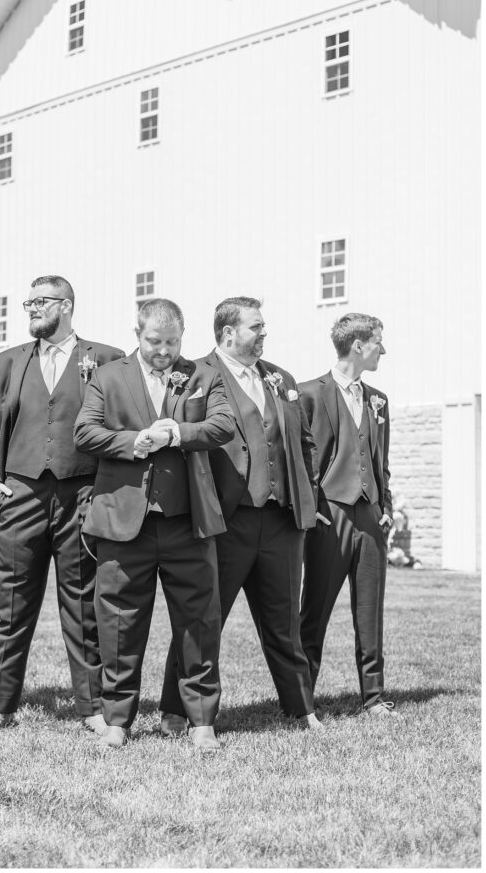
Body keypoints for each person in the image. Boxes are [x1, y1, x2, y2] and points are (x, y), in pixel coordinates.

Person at [74, 298, 235, 750]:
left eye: (172, 342)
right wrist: (133, 441)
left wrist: (178, 433)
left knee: (199, 622)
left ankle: (202, 719)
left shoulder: (204, 374)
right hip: (124, 523)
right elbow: (84, 433)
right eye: (154, 341)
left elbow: (223, 425)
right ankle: (118, 720)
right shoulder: (107, 376)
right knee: (119, 623)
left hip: (188, 521)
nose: (164, 351)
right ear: (137, 333)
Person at [159, 297, 322, 732]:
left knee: (284, 620)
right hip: (223, 519)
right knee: (203, 618)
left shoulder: (280, 379)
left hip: (281, 519)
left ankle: (301, 709)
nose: (264, 333)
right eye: (257, 326)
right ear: (229, 332)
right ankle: (177, 710)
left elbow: (304, 445)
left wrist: (310, 498)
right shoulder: (192, 375)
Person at [0, 276, 124, 736]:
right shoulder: (8, 361)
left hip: (80, 492)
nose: (32, 309)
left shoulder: (107, 358)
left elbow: (116, 426)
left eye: (42, 302)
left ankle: (92, 708)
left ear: (68, 305)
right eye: (29, 302)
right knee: (12, 604)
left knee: (81, 604)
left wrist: (103, 488)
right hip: (20, 494)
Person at [298, 313, 395, 718]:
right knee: (314, 611)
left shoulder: (379, 400)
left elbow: (381, 461)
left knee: (371, 611)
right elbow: (302, 461)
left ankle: (373, 697)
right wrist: (311, 510)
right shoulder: (308, 394)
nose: (383, 350)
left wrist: (384, 507)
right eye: (378, 342)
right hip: (329, 515)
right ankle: (301, 699)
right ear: (357, 344)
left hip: (370, 517)